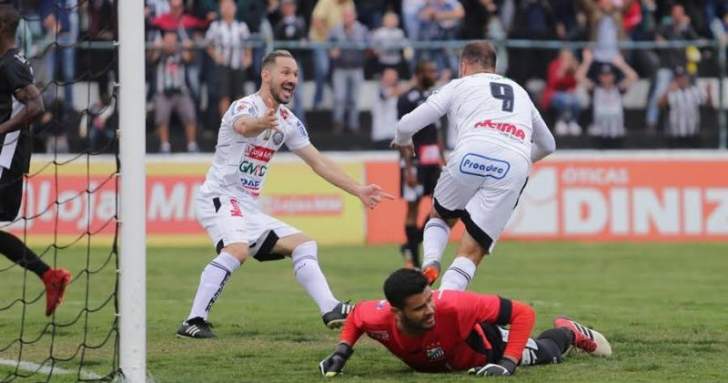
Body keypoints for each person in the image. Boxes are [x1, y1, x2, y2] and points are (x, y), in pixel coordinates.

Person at [177, 50, 395, 339]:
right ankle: (193, 321)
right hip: (219, 196)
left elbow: (317, 161)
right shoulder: (244, 106)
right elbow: (243, 126)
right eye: (285, 72)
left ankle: (330, 308)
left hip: (247, 207)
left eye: (294, 74)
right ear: (266, 74)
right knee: (237, 250)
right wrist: (260, 124)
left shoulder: (289, 121)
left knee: (303, 244)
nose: (292, 79)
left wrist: (358, 189)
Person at [392, 41, 556, 290]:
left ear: (463, 65)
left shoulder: (459, 84)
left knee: (441, 216)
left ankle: (430, 261)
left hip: (470, 155)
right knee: (472, 251)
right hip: (513, 166)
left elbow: (406, 124)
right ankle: (448, 300)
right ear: (494, 66)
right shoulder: (519, 90)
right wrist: (515, 158)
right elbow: (548, 144)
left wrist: (404, 141)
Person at [319, 269, 611, 377]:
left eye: (430, 299)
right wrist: (342, 352)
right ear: (397, 312)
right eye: (420, 308)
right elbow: (356, 317)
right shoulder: (377, 316)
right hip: (444, 359)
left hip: (489, 348)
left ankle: (569, 332)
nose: (431, 309)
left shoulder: (455, 306)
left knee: (548, 353)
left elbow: (524, 313)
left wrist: (508, 364)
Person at [0, 4, 71, 317]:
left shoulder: (9, 64)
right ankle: (49, 276)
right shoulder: (10, 61)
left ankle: (49, 275)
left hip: (6, 158)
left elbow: (36, 104)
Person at [396, 61, 443, 269]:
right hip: (414, 160)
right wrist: (407, 168)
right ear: (418, 73)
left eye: (435, 70)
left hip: (433, 160)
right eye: (430, 70)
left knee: (441, 204)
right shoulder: (407, 98)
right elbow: (402, 133)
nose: (434, 73)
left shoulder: (435, 98)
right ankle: (414, 258)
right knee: (413, 208)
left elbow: (437, 131)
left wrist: (443, 157)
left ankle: (411, 244)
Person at [149, 30, 199, 153]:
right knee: (162, 117)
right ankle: (164, 145)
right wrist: (156, 48)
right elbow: (151, 58)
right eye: (168, 41)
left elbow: (190, 57)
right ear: (163, 41)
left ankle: (192, 145)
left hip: (181, 91)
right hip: (163, 92)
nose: (170, 44)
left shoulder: (180, 52)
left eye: (173, 41)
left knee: (190, 115)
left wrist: (189, 47)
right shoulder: (159, 53)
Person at [576, 50, 638, 149]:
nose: (606, 78)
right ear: (600, 77)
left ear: (613, 76)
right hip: (598, 134)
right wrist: (587, 62)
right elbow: (579, 77)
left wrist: (621, 64)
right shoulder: (595, 89)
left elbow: (633, 77)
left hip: (617, 133)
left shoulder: (618, 88)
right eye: (604, 75)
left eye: (609, 75)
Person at [205, 0, 252, 119]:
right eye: (225, 6)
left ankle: (241, 124)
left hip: (238, 64)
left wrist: (247, 58)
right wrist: (216, 55)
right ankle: (226, 125)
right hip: (223, 65)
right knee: (223, 95)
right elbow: (208, 44)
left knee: (239, 95)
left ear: (235, 8)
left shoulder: (242, 26)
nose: (228, 9)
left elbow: (247, 44)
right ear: (220, 9)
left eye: (230, 6)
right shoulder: (215, 26)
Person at [328, 7, 368, 134]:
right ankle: (338, 123)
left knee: (354, 99)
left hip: (356, 67)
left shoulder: (362, 29)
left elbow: (370, 46)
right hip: (340, 68)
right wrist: (332, 51)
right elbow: (329, 46)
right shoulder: (335, 30)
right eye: (345, 16)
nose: (347, 18)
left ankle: (353, 125)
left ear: (354, 16)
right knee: (339, 98)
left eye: (349, 16)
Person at [659, 66, 712, 148]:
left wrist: (709, 93)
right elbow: (660, 105)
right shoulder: (672, 92)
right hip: (676, 134)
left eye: (683, 77)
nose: (681, 80)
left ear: (687, 78)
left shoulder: (695, 91)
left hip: (692, 133)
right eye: (678, 78)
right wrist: (668, 90)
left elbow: (708, 105)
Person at [370, 68, 401, 148]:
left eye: (394, 76)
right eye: (389, 76)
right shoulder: (379, 90)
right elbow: (386, 95)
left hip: (395, 137)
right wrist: (413, 83)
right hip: (382, 137)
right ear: (383, 77)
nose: (392, 79)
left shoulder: (397, 93)